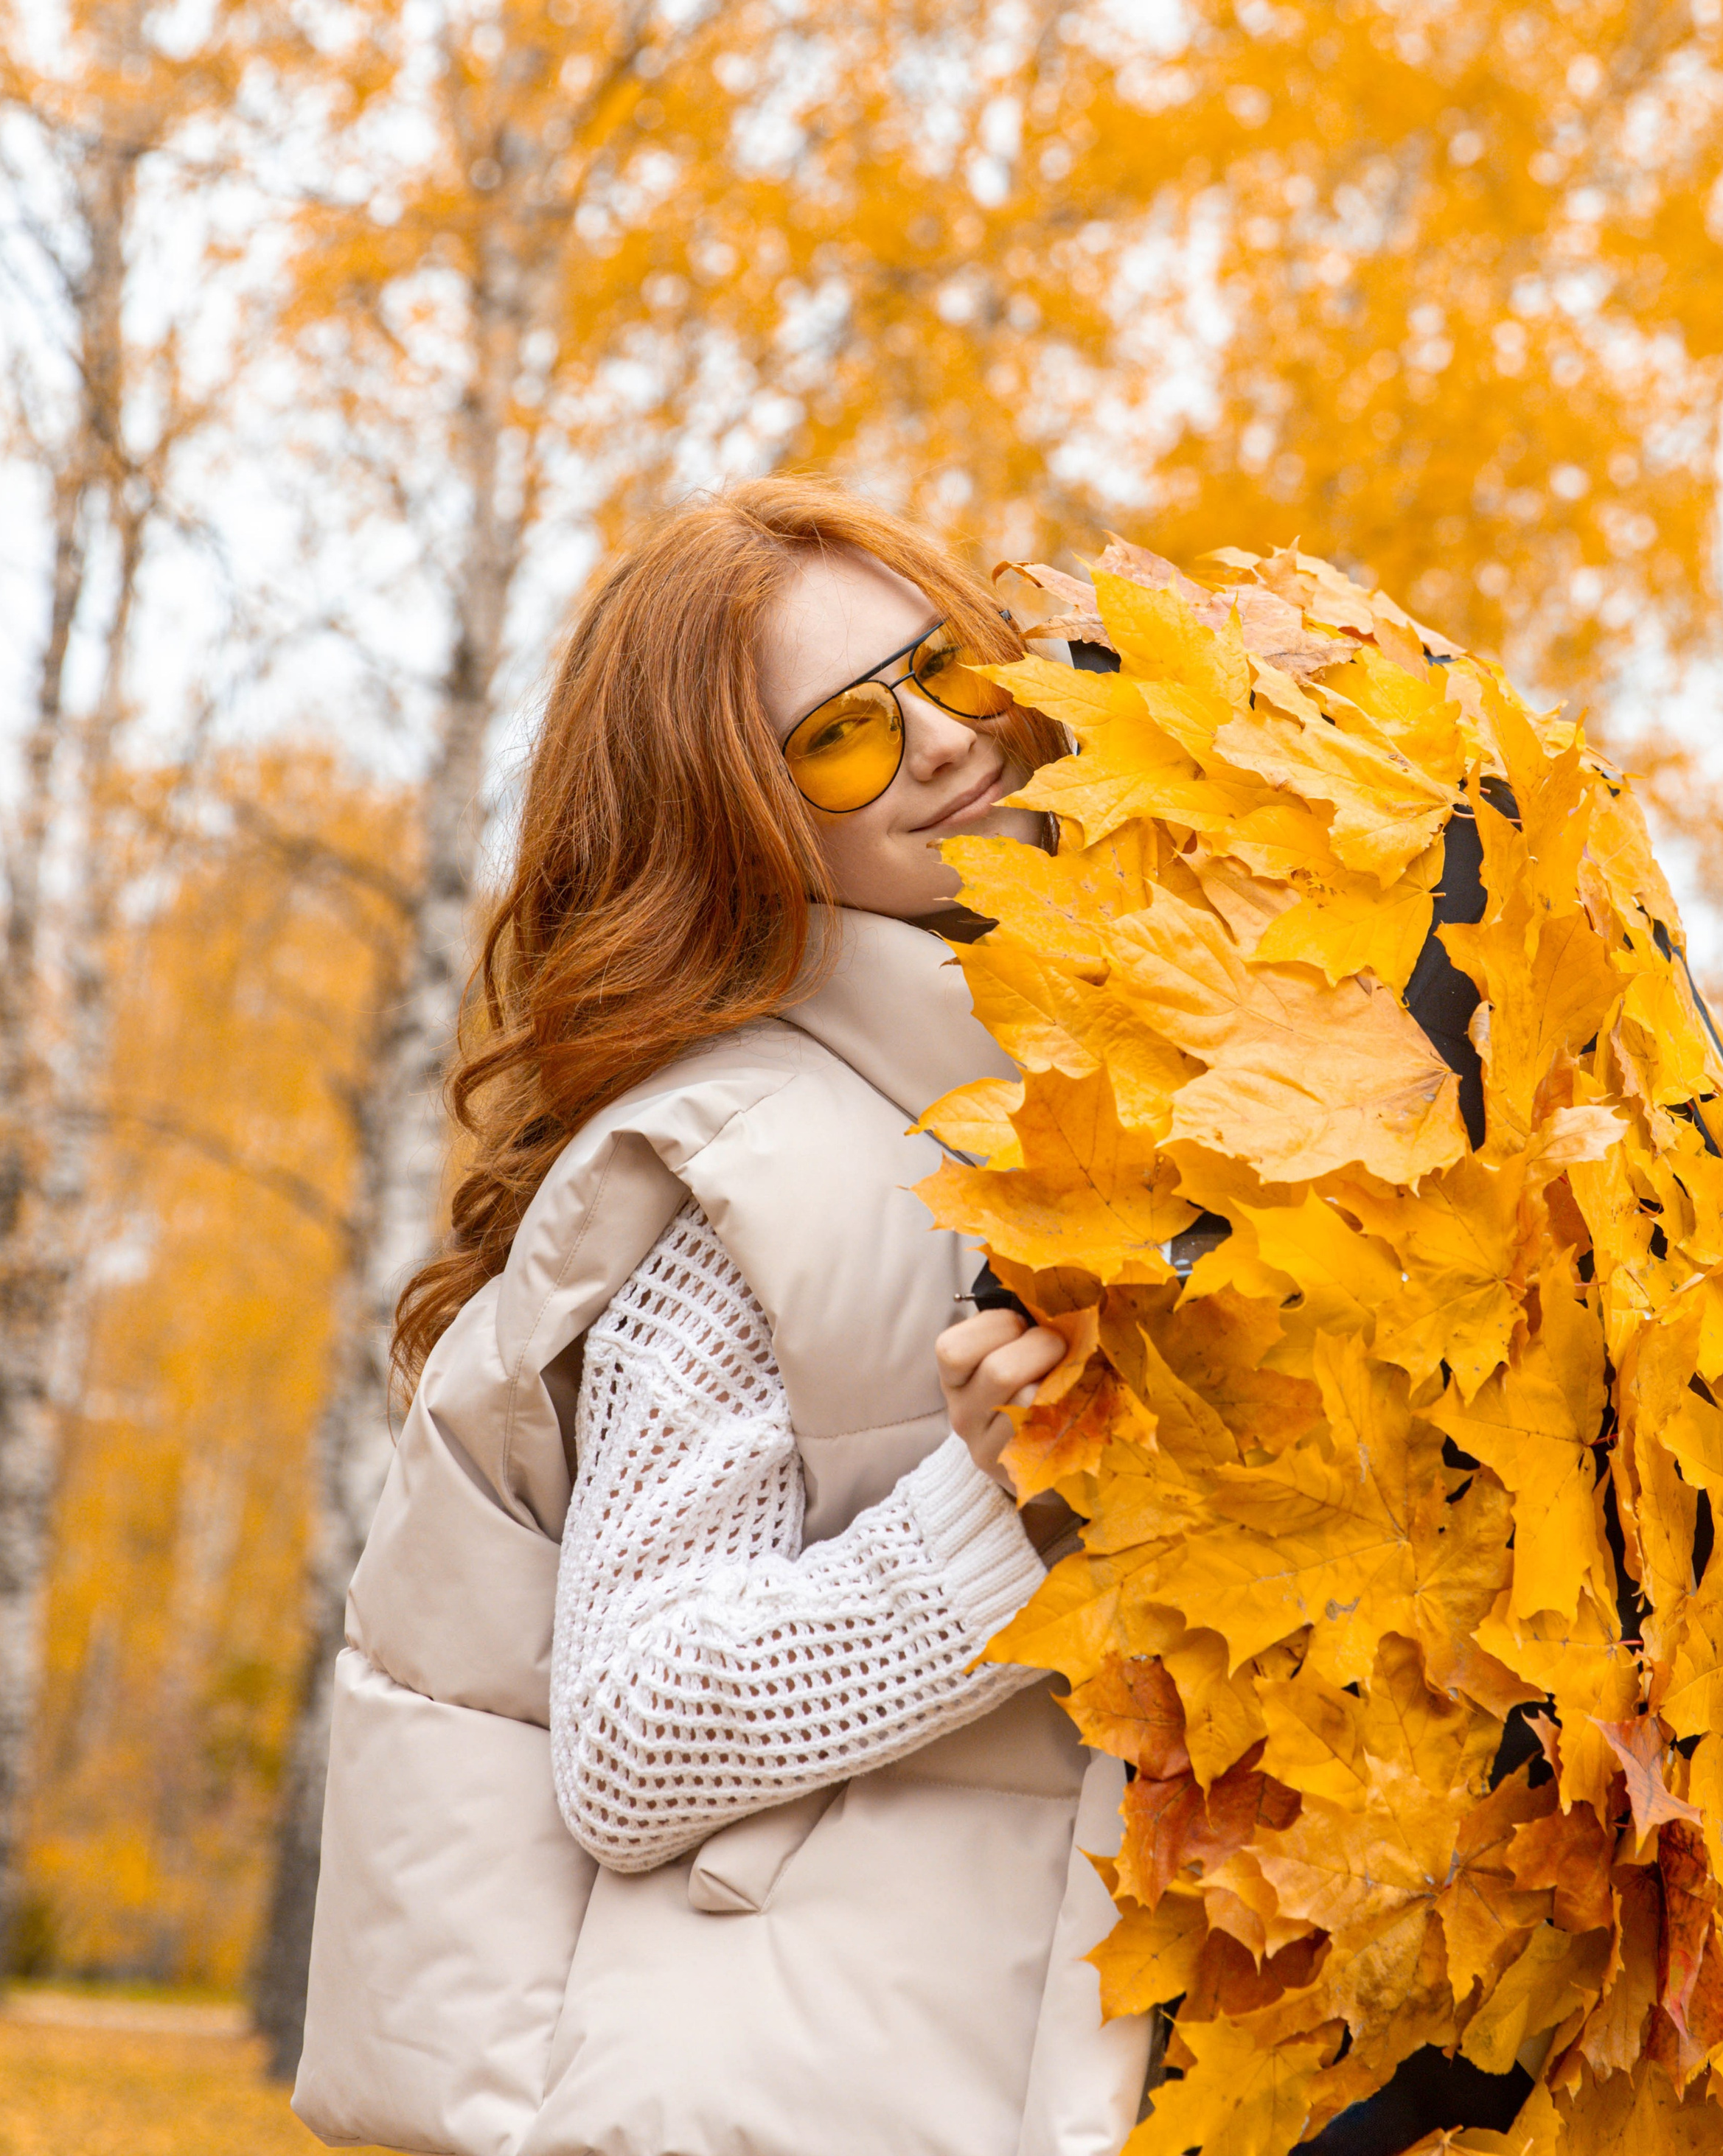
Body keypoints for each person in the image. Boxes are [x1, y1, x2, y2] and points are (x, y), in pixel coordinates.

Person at [292, 476, 1156, 2156]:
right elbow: (629, 1735)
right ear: (742, 823)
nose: (938, 744)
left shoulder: (1052, 1116)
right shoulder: (755, 1171)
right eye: (839, 735)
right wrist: (992, 1511)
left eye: (947, 672)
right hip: (791, 2099)